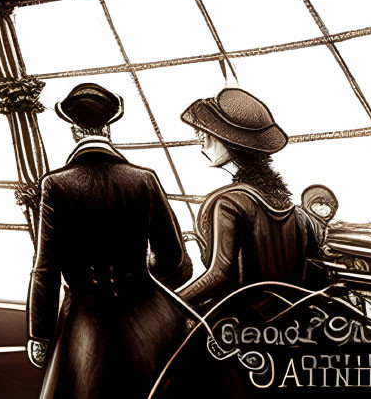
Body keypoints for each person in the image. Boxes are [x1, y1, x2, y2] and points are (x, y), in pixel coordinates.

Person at [26, 82, 192, 399]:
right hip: (146, 316)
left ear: (74, 131)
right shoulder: (145, 179)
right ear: (108, 129)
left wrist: (40, 334)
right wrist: (141, 276)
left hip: (85, 321)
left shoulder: (55, 185)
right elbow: (172, 257)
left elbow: (45, 268)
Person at [175, 87, 328, 310]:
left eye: (207, 132)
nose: (201, 139)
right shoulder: (292, 209)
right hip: (287, 321)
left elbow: (218, 275)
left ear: (228, 142)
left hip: (239, 325)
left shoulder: (230, 203)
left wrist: (173, 301)